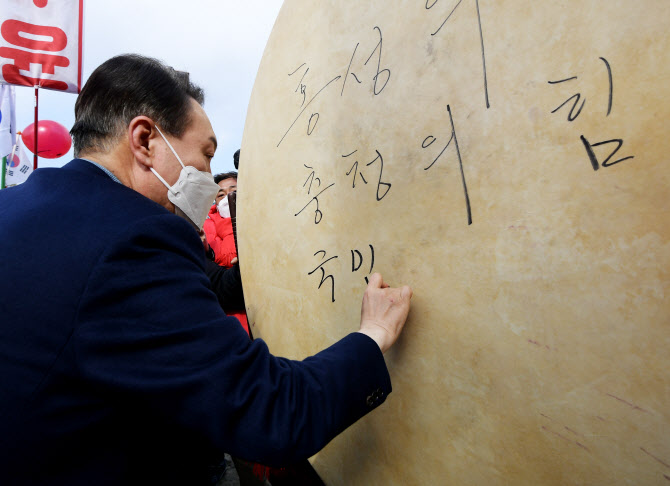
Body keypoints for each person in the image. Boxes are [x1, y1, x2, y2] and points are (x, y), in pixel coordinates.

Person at [0, 54, 412, 486]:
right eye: (206, 154)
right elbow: (271, 412)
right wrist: (373, 336)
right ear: (144, 140)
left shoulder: (14, 209)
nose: (209, 176)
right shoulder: (134, 240)